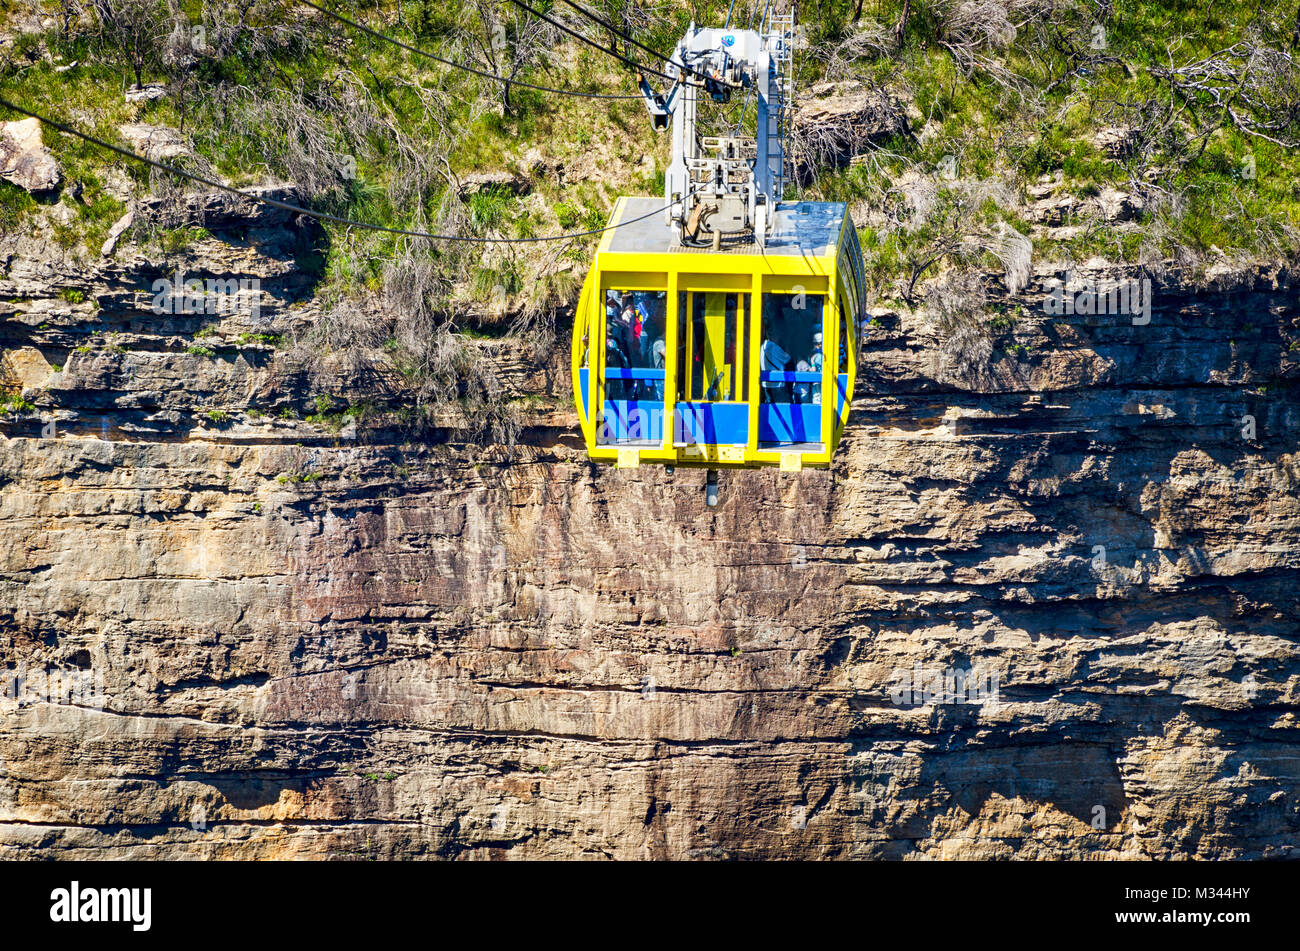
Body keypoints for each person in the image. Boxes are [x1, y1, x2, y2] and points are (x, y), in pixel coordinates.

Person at [760, 336, 791, 403]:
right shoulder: (773, 346)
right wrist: (788, 349)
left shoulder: (762, 346)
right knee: (782, 406)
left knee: (770, 404)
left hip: (766, 383)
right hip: (777, 384)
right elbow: (787, 358)